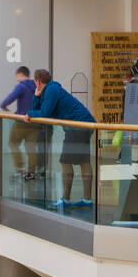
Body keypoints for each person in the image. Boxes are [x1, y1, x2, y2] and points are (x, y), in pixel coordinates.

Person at [27, 69, 97, 208]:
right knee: (84, 161)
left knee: (65, 161)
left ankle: (65, 200)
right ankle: (87, 199)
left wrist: (29, 113)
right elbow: (40, 111)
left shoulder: (51, 90)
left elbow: (45, 113)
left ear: (38, 81)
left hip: (77, 126)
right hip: (84, 124)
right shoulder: (52, 89)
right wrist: (36, 97)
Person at [0, 65, 39, 179]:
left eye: (18, 77)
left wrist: (3, 106)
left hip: (21, 121)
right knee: (30, 147)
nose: (17, 79)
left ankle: (20, 169)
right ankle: (31, 172)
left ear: (21, 75)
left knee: (12, 144)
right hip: (35, 121)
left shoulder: (21, 86)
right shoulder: (36, 86)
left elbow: (11, 97)